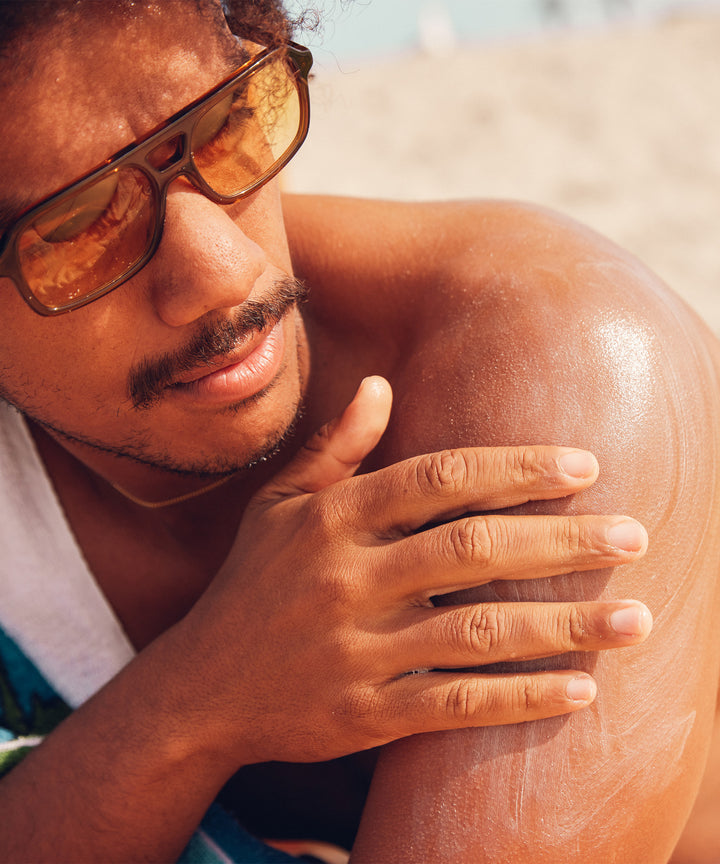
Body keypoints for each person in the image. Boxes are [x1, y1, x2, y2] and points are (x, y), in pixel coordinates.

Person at [0, 1, 717, 862]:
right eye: (79, 228)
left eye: (228, 123)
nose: (225, 276)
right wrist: (188, 708)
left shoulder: (565, 370)